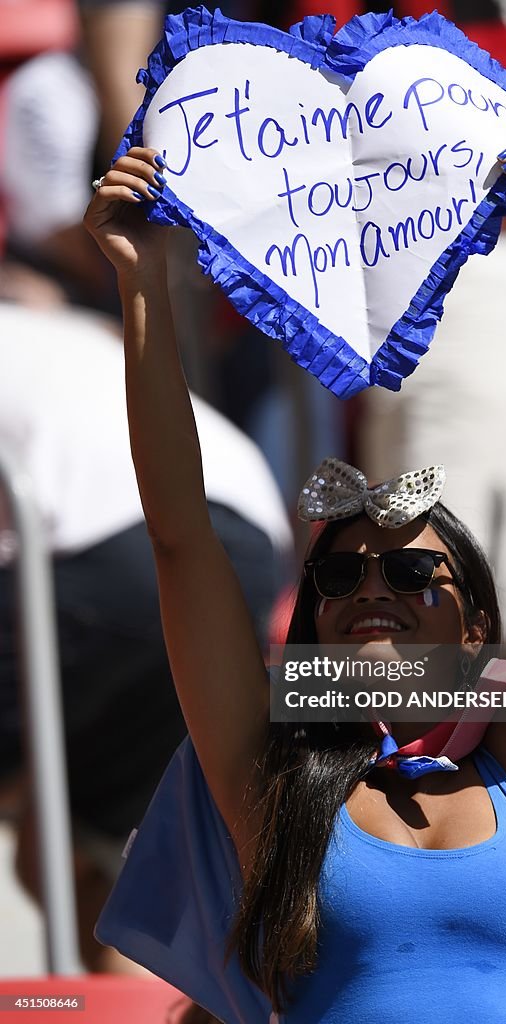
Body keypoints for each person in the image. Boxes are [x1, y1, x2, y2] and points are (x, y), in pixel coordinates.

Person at [84, 145, 506, 1021]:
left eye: (412, 569)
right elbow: (181, 541)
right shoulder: (268, 777)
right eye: (338, 573)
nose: (369, 586)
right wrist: (141, 283)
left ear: (477, 629)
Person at [0, 300, 291, 971]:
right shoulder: (51, 330)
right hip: (245, 538)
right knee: (101, 873)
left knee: (83, 863)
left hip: (121, 541)